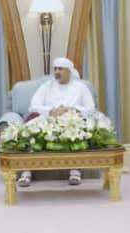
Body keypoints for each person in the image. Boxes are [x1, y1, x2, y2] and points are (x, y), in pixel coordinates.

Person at [18, 57, 96, 188]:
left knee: (76, 131)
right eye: (55, 69)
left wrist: (72, 109)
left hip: (72, 121)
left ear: (69, 71)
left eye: (60, 69)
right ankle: (26, 172)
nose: (57, 72)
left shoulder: (81, 88)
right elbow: (33, 106)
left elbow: (91, 108)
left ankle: (75, 171)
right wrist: (51, 111)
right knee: (31, 130)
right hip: (48, 121)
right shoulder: (46, 86)